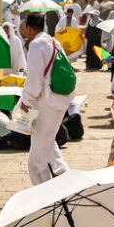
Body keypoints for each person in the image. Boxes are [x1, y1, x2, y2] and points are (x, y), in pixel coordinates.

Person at [20, 12, 72, 185]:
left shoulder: (36, 45)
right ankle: (66, 178)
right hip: (60, 100)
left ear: (29, 28)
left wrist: (25, 101)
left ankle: (43, 190)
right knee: (48, 145)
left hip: (45, 103)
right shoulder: (54, 42)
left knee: (37, 156)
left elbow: (34, 81)